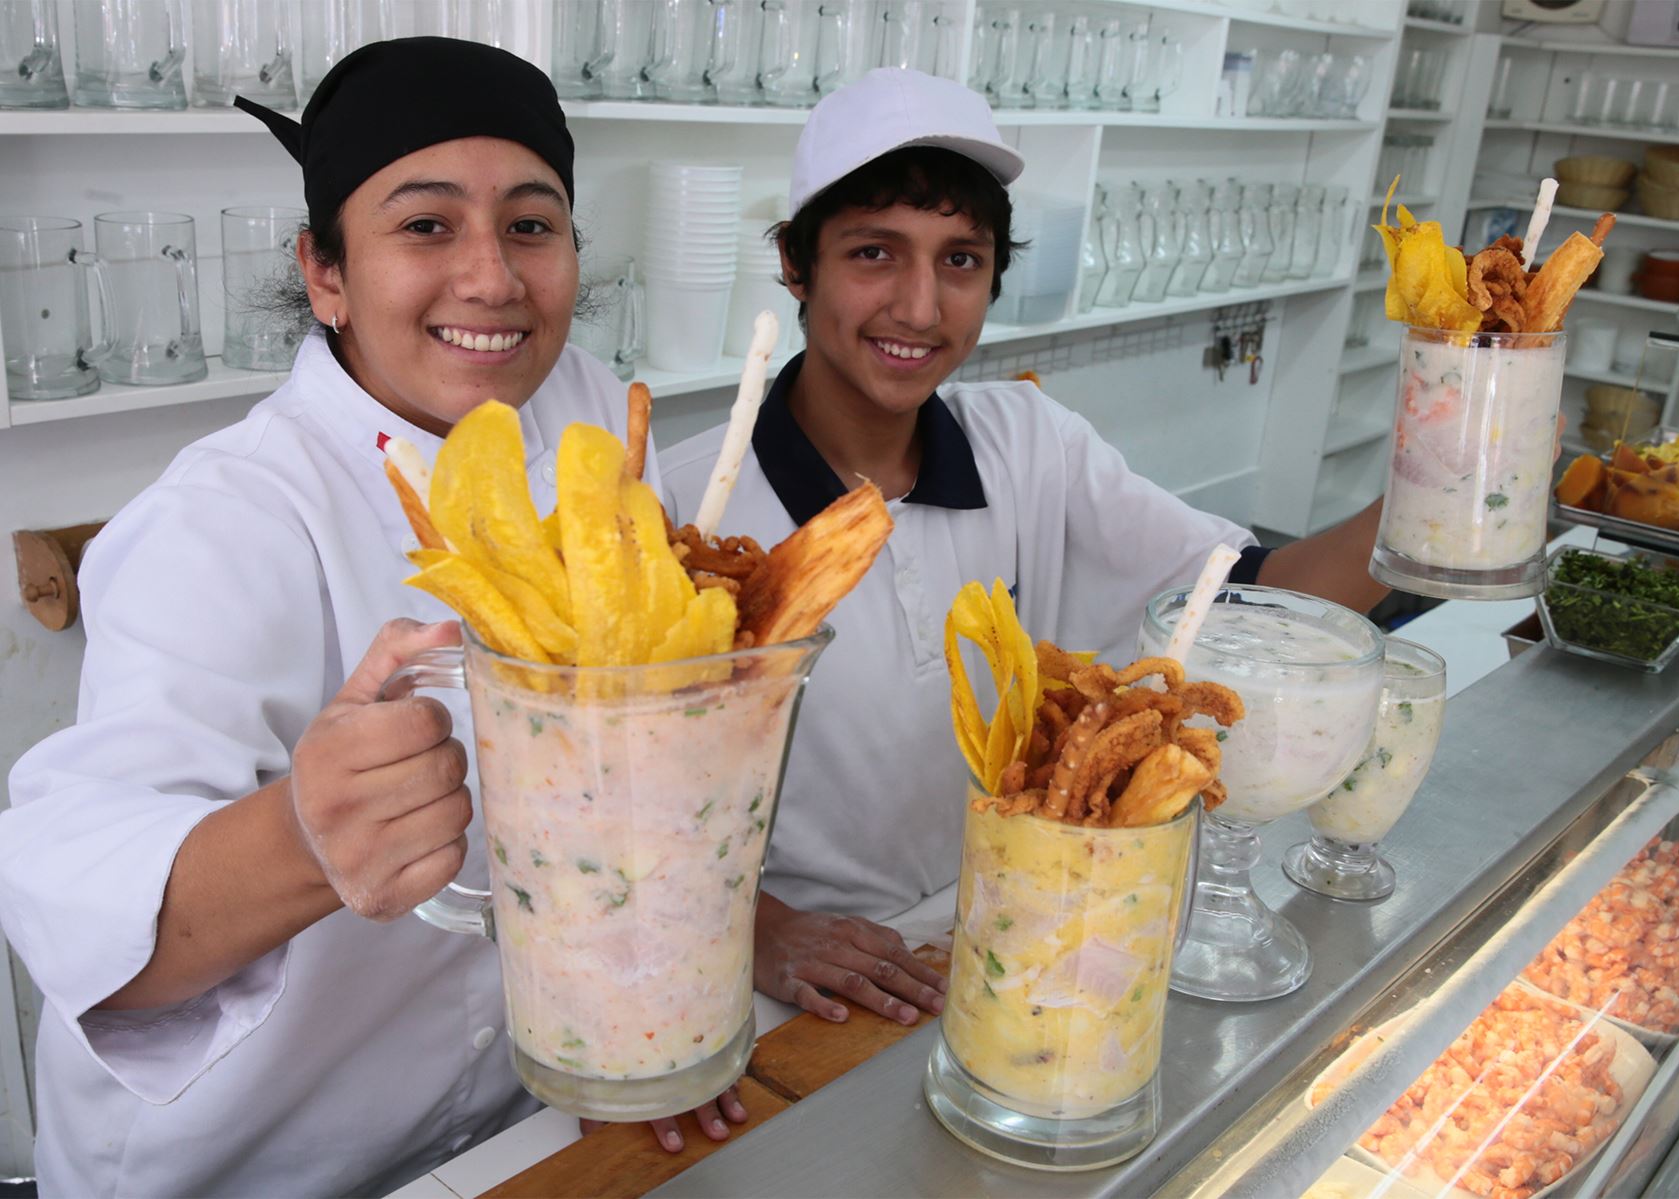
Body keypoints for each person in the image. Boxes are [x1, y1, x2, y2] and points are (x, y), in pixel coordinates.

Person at [0, 38, 739, 1199]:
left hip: (513, 1126)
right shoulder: (222, 520)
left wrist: (658, 1010)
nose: (492, 278)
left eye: (532, 225)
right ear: (326, 273)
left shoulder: (589, 415)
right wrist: (303, 835)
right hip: (250, 1164)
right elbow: (82, 912)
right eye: (427, 225)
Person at [662, 69, 1390, 1029]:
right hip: (776, 977)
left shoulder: (1029, 443)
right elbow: (599, 798)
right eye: (874, 253)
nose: (920, 308)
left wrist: (1450, 488)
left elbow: (1253, 598)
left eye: (960, 260)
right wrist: (757, 926)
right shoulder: (681, 501)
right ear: (798, 266)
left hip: (999, 934)